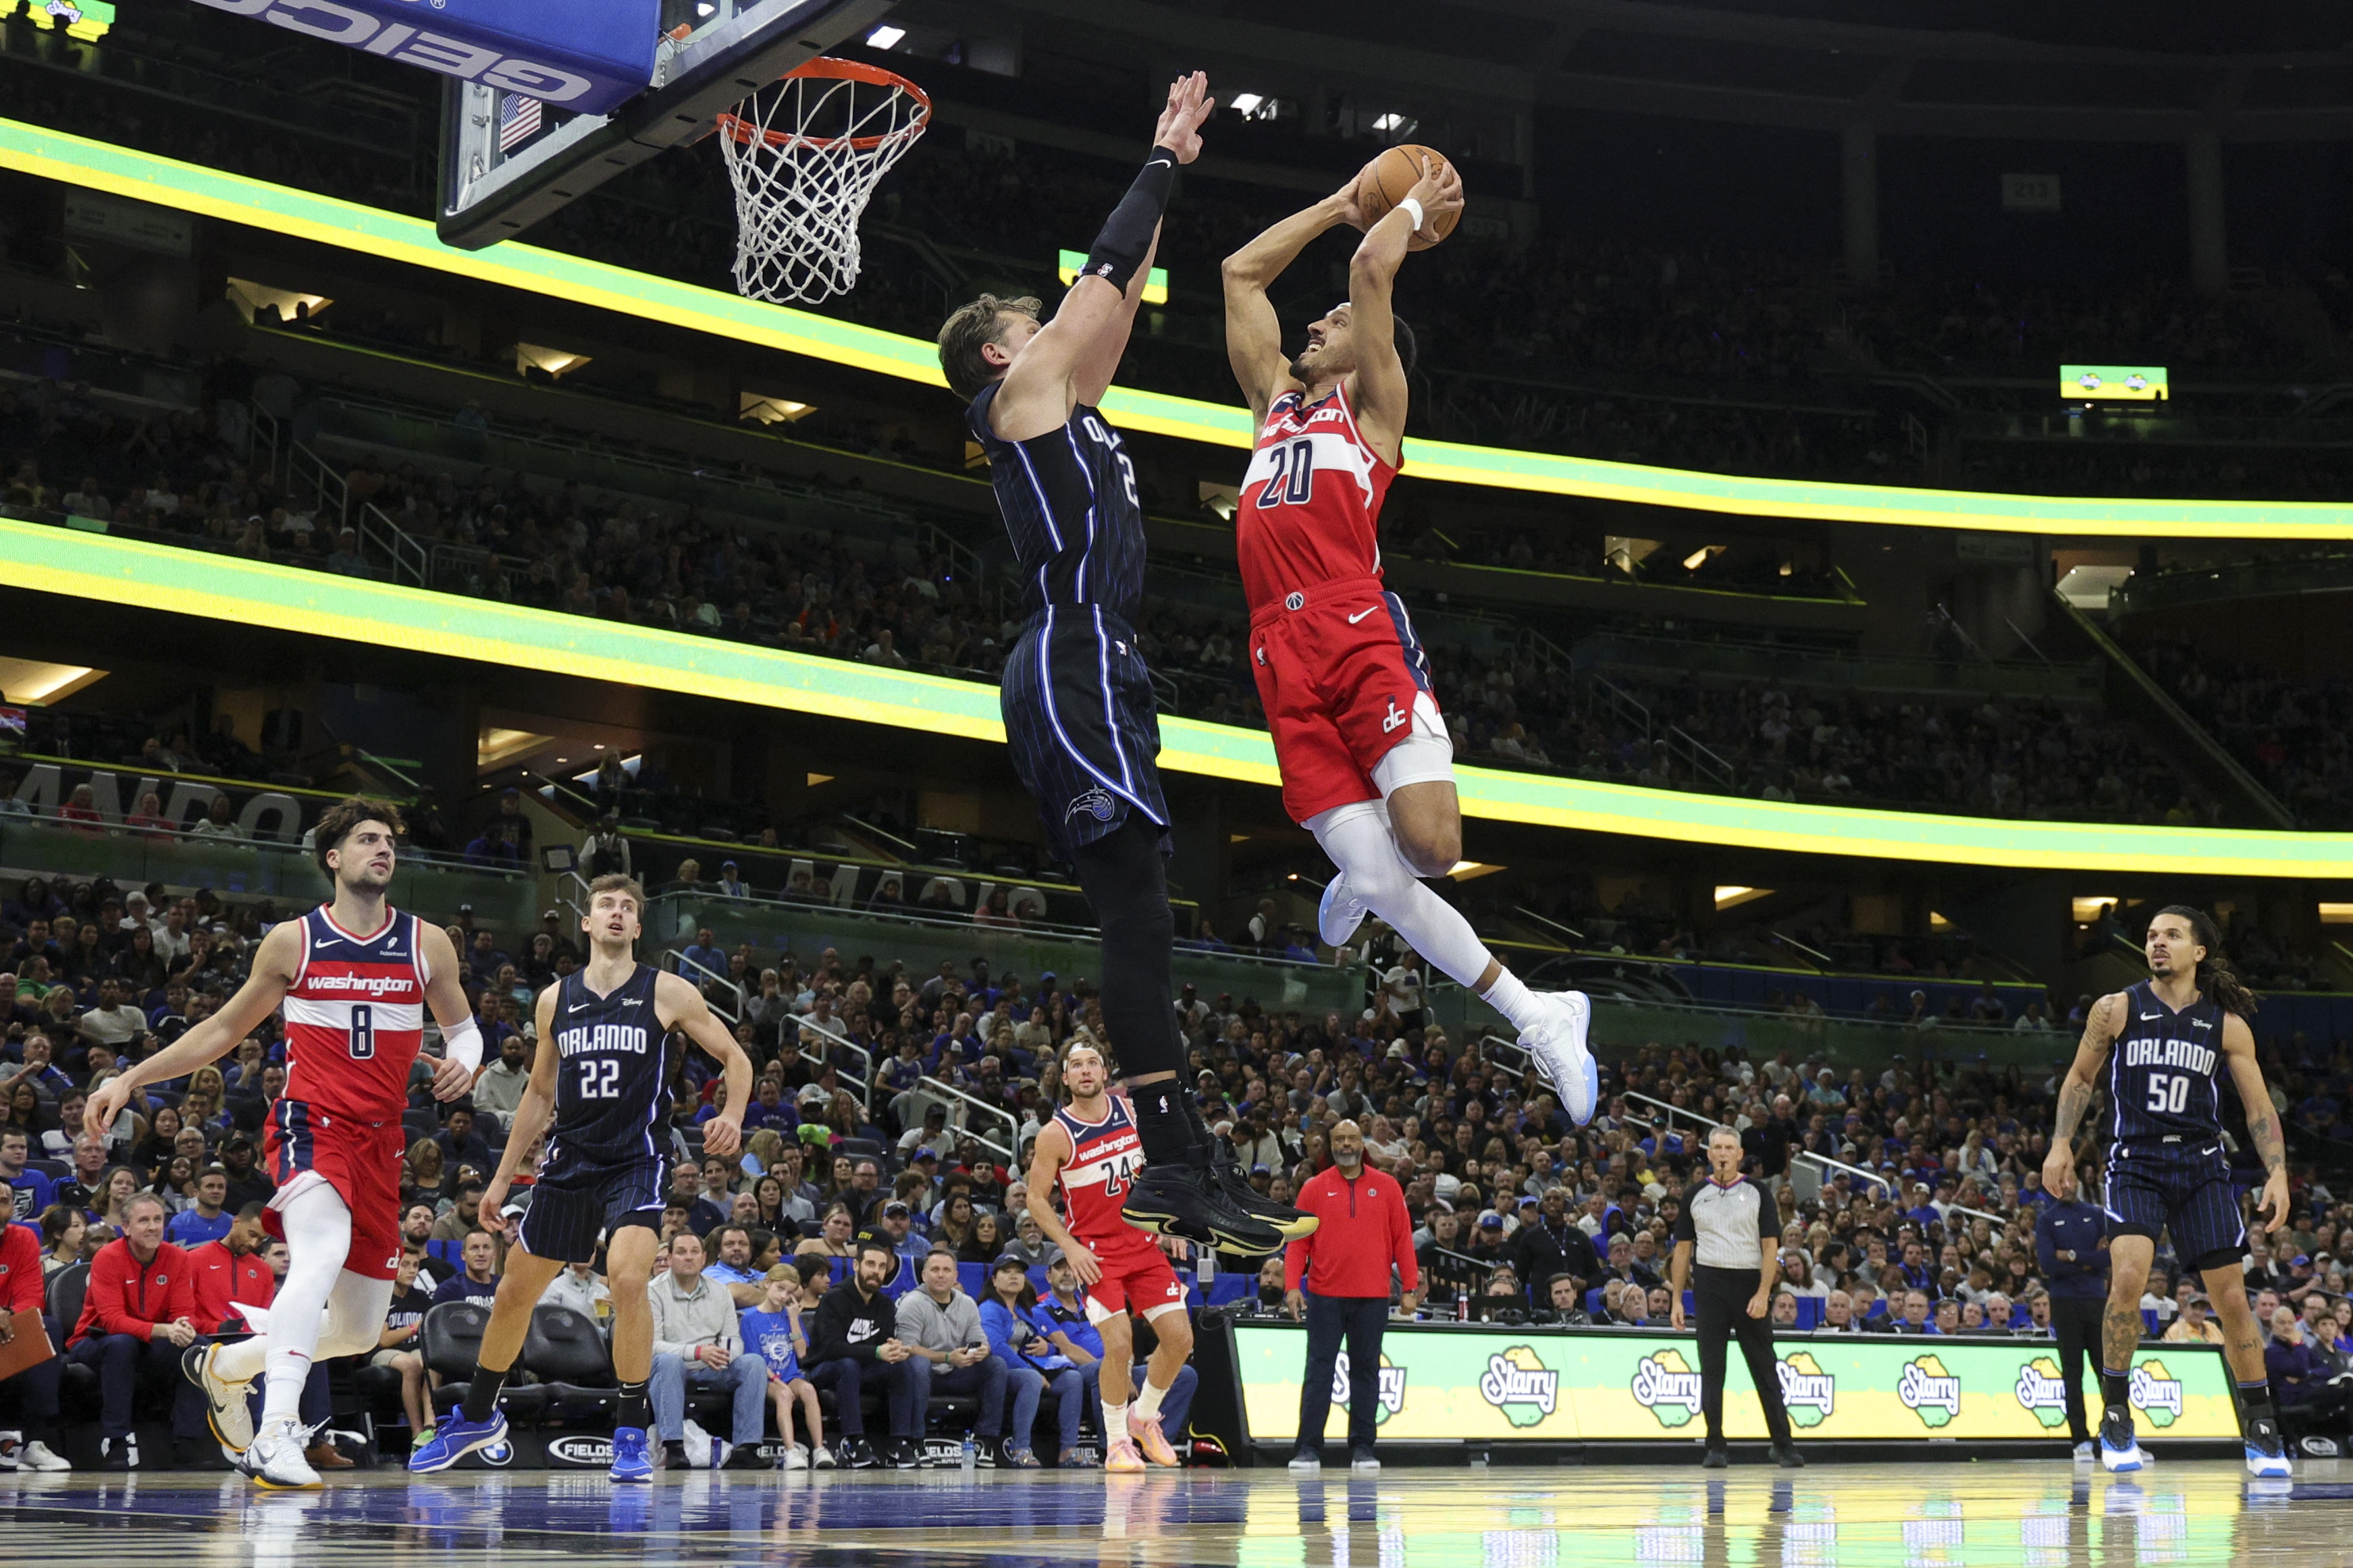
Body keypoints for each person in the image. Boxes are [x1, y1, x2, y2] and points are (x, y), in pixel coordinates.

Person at [936, 70, 1291, 1258]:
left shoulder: (1067, 395)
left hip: (1100, 655)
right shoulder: (1021, 392)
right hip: (1071, 646)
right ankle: (1175, 1159)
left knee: (1146, 914)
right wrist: (1161, 162)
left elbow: (1116, 300)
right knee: (1137, 915)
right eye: (1026, 319)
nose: (1051, 324)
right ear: (998, 348)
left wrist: (1170, 188)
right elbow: (1096, 283)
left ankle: (1177, 1162)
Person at [1219, 153, 1596, 1123]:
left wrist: (1415, 204)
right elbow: (1238, 275)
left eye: (1331, 324)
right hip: (1277, 651)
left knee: (1428, 850)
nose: (1315, 324)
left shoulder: (1375, 411)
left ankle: (1364, 876)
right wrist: (1338, 203)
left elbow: (1369, 278)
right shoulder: (1272, 406)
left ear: (1368, 350)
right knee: (1382, 877)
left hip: (1356, 627)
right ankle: (1537, 1011)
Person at [86, 797, 478, 1488]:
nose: (382, 849)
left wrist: (464, 1061)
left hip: (382, 1142)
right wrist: (131, 1075)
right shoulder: (295, 941)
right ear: (333, 857)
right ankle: (275, 1434)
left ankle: (227, 1365)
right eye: (366, 838)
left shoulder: (428, 942)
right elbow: (219, 1031)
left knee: (357, 1330)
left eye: (388, 840)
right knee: (319, 1251)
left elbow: (464, 1029)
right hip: (309, 1123)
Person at [411, 874, 753, 1480]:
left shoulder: (666, 991)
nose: (617, 914)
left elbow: (736, 1057)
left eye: (628, 907)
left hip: (636, 1160)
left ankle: (628, 1431)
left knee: (625, 1277)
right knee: (515, 1291)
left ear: (638, 927)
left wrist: (729, 1112)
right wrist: (499, 1179)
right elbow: (539, 1094)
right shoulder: (554, 1000)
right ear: (587, 923)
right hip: (569, 1160)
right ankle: (477, 1414)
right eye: (606, 906)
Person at [2041, 904, 2294, 1478]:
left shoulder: (2225, 1022)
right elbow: (2080, 1078)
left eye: (2171, 935)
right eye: (2151, 936)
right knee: (2128, 1276)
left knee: (2230, 1299)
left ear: (2198, 951)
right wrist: (2060, 1143)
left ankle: (2258, 1424)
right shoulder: (2116, 1008)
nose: (2157, 944)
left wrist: (2276, 1170)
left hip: (2202, 1164)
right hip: (2135, 1160)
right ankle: (2115, 1414)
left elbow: (2258, 1108)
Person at [1024, 1039, 1193, 1473]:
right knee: (1119, 1346)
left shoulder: (1132, 1114)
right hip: (1096, 1255)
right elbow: (1037, 1200)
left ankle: (1144, 1416)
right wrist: (1069, 1246)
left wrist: (1168, 1219)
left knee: (1180, 1339)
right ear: (1064, 1078)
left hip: (1143, 1242)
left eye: (1092, 1063)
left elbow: (1162, 1167)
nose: (1084, 1071)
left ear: (1104, 1072)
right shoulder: (1055, 1134)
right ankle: (1117, 1443)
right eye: (1075, 1065)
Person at [1282, 1117, 1417, 1475]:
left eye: (1352, 1139)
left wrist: (1410, 1287)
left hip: (1373, 1296)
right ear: (1331, 1144)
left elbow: (1403, 1238)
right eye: (1339, 1139)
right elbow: (1298, 1242)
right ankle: (1308, 1448)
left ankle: (1362, 1448)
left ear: (1363, 1143)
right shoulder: (1313, 1188)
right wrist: (1292, 1286)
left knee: (1366, 1373)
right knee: (1319, 1372)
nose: (1346, 1145)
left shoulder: (1388, 1187)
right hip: (1325, 1295)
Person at [1670, 1126, 1801, 1469]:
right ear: (1709, 1154)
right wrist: (1677, 1301)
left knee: (1765, 1368)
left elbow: (1771, 1246)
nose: (1724, 1153)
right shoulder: (1695, 1194)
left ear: (1740, 1154)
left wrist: (1764, 1292)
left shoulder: (1758, 1191)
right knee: (1713, 1370)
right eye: (1718, 1148)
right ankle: (1715, 1445)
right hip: (1710, 1284)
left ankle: (1783, 1444)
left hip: (1749, 1284)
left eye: (1730, 1147)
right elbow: (1682, 1251)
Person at [65, 1192, 209, 1468]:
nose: (154, 1226)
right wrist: (165, 1330)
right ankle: (116, 1440)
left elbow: (184, 1312)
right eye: (144, 1221)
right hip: (95, 1340)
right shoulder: (107, 1257)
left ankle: (188, 1441)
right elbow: (112, 1321)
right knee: (121, 1343)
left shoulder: (178, 1257)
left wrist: (184, 1328)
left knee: (198, 1347)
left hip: (149, 1343)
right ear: (126, 1228)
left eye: (158, 1219)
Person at [896, 1248, 1020, 1464]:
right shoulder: (911, 1303)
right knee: (917, 1363)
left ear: (956, 1276)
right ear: (924, 1276)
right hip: (923, 1375)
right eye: (935, 1270)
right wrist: (947, 1358)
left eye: (947, 1270)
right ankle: (916, 1440)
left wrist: (982, 1350)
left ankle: (986, 1441)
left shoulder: (967, 1303)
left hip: (957, 1373)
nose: (941, 1275)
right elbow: (908, 1348)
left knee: (996, 1365)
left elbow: (981, 1340)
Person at [805, 1237, 919, 1469]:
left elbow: (884, 1345)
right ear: (856, 1266)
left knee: (902, 1366)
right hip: (825, 1368)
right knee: (848, 1364)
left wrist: (895, 1350)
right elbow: (831, 1348)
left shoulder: (886, 1305)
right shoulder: (834, 1299)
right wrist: (878, 1352)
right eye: (870, 1265)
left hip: (862, 1369)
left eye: (881, 1267)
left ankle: (899, 1441)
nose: (876, 1272)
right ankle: (855, 1441)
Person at [980, 1253, 1084, 1467]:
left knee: (1073, 1379)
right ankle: (1020, 1448)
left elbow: (1046, 1342)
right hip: (1002, 1372)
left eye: (1018, 1272)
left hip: (1033, 1369)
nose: (1014, 1276)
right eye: (1007, 1272)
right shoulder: (989, 1308)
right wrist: (1032, 1371)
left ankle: (1068, 1450)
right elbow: (997, 1347)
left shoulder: (1025, 1310)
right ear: (994, 1279)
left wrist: (1050, 1347)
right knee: (1031, 1380)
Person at [2036, 1164, 2110, 1458]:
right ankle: (2080, 1438)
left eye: (2071, 1179)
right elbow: (2047, 1265)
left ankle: (2117, 1433)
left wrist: (2071, 1256)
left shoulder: (2096, 1214)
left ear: (2078, 1182)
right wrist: (2089, 1260)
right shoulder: (2047, 1219)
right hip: (2064, 1302)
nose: (2067, 1185)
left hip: (2096, 1299)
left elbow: (2107, 1258)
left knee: (2108, 1371)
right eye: (2062, 1180)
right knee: (2072, 1372)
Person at [737, 1264, 830, 1470]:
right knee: (784, 1396)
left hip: (791, 1374)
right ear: (767, 1283)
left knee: (808, 1389)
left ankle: (819, 1449)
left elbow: (801, 1353)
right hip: (768, 1377)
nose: (783, 1296)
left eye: (789, 1292)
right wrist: (779, 1383)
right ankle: (791, 1451)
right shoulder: (750, 1319)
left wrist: (794, 1318)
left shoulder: (789, 1315)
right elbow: (756, 1360)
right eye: (780, 1289)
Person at [0, 1214, 69, 1471]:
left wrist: (9, 1317)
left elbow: (32, 1296)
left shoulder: (23, 1237)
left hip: (10, 1326)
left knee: (48, 1327)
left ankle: (35, 1443)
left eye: (4, 1201)